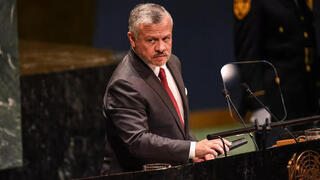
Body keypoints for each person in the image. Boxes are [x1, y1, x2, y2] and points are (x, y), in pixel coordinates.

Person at [101, 3, 231, 174]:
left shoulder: (172, 63)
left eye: (166, 38)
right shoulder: (124, 84)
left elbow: (176, 124)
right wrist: (192, 149)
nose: (161, 48)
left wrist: (194, 152)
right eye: (151, 40)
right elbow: (138, 141)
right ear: (132, 39)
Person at [233, 0, 320, 147]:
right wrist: (258, 103)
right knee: (276, 163)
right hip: (274, 100)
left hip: (305, 96)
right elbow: (248, 54)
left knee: (308, 161)